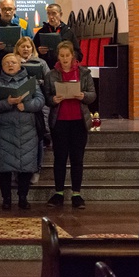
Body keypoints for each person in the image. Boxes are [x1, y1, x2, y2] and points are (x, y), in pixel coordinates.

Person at [43, 40, 96, 209]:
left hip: (79, 122)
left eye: (67, 55)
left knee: (77, 159)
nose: (65, 59)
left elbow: (93, 94)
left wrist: (83, 95)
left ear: (73, 56)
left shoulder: (84, 73)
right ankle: (58, 193)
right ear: (58, 57)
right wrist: (53, 99)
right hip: (60, 122)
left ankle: (76, 194)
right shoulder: (51, 75)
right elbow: (47, 97)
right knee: (59, 158)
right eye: (62, 56)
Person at [0, 53, 45, 211]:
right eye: (6, 63)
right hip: (4, 131)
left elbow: (40, 101)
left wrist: (25, 106)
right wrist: (8, 102)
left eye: (13, 62)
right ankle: (6, 199)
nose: (10, 65)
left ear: (20, 65)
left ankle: (23, 197)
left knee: (26, 166)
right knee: (4, 167)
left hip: (27, 130)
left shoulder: (30, 82)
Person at [15, 36, 51, 184]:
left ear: (32, 48)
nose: (25, 49)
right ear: (17, 48)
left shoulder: (41, 62)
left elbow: (49, 81)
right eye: (22, 46)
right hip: (18, 104)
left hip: (37, 103)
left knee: (38, 139)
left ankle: (37, 169)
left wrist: (40, 82)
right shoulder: (13, 62)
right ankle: (19, 170)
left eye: (28, 47)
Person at [33, 3, 83, 69]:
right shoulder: (41, 31)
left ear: (60, 14)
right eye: (48, 13)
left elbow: (79, 55)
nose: (51, 17)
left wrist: (67, 54)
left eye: (54, 13)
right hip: (46, 68)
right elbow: (32, 51)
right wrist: (38, 51)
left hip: (64, 68)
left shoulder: (68, 32)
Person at [0, 0, 33, 71]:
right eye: (4, 9)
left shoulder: (23, 23)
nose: (7, 12)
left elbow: (31, 41)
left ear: (15, 9)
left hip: (20, 60)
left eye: (10, 9)